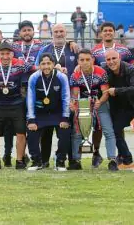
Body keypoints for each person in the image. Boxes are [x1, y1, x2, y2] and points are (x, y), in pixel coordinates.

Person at [0, 42, 34, 169]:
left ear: (13, 54)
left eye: (8, 54)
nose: (5, 57)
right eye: (2, 54)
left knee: (21, 133)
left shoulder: (21, 64)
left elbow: (37, 68)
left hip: (16, 104)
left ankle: (20, 161)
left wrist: (58, 67)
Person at [90, 22, 134, 168]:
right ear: (101, 34)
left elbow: (132, 67)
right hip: (101, 94)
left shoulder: (124, 50)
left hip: (118, 95)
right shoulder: (95, 51)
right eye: (105, 31)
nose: (108, 33)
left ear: (114, 33)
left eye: (110, 30)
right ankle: (96, 153)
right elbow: (89, 68)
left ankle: (121, 155)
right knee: (99, 127)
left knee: (117, 127)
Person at [35, 24, 78, 167]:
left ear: (66, 33)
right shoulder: (44, 50)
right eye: (56, 32)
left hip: (69, 95)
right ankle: (45, 160)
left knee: (67, 129)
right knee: (46, 130)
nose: (59, 34)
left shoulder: (73, 49)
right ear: (51, 34)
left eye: (61, 31)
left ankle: (69, 159)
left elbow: (83, 65)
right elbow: (36, 68)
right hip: (49, 95)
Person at [104, 49, 134, 173]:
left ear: (119, 58)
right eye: (108, 59)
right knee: (115, 129)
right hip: (123, 107)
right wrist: (78, 67)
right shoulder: (105, 71)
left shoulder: (132, 70)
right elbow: (93, 71)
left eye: (114, 58)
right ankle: (126, 159)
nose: (111, 62)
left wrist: (116, 91)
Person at [69, 49, 118, 171]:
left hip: (99, 103)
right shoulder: (75, 75)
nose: (85, 62)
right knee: (77, 131)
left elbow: (106, 91)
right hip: (84, 105)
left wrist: (100, 101)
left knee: (108, 130)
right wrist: (73, 104)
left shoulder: (100, 72)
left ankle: (112, 160)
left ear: (93, 60)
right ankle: (76, 160)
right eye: (82, 60)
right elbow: (75, 95)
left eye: (87, 59)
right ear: (78, 61)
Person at [26, 53, 70, 171]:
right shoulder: (34, 77)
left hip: (58, 113)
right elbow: (30, 99)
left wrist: (65, 118)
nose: (46, 67)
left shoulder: (61, 77)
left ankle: (60, 160)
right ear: (39, 65)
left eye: (49, 63)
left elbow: (66, 97)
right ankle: (36, 161)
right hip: (40, 113)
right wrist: (31, 119)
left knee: (65, 133)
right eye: (43, 64)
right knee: (31, 133)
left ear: (54, 64)